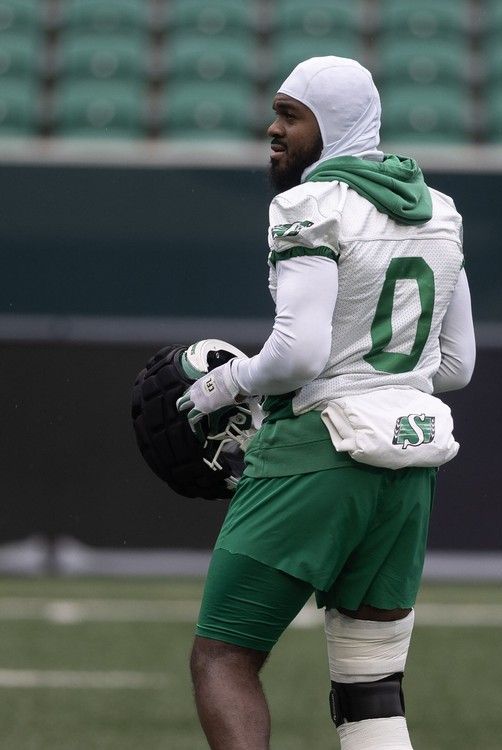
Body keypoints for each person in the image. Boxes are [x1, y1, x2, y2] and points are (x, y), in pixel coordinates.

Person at [176, 56, 475, 750]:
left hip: (317, 451)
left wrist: (223, 386)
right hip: (408, 459)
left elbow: (299, 354)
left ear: (332, 125)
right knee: (371, 690)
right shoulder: (441, 209)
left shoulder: (307, 205)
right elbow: (456, 365)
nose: (272, 129)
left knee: (223, 657)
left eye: (290, 115)